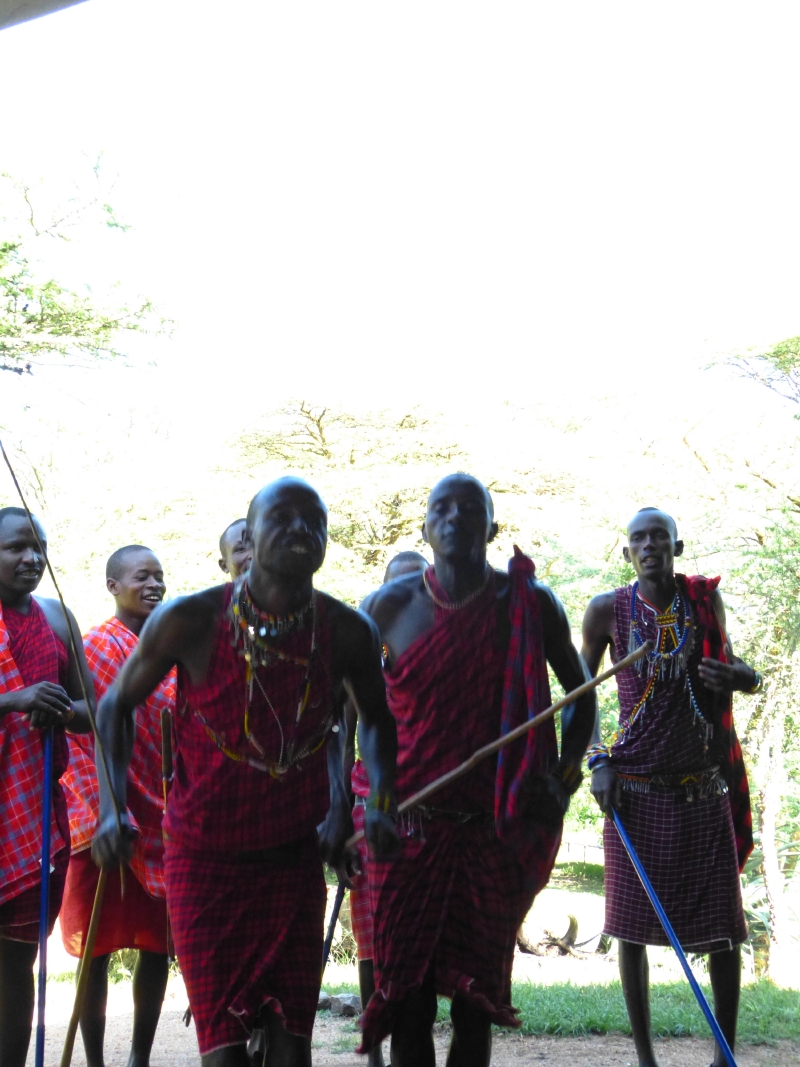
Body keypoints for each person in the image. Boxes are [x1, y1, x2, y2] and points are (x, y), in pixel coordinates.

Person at [92, 477, 399, 1067]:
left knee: (292, 1045)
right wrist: (112, 807)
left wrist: (376, 800)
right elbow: (115, 706)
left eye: (314, 521)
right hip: (203, 860)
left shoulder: (346, 630)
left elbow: (376, 723)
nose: (300, 530)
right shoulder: (190, 619)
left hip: (294, 860)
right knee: (224, 1050)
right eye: (282, 518)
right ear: (250, 538)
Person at [357, 474, 596, 1067]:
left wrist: (565, 776)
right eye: (441, 507)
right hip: (408, 829)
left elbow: (581, 693)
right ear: (424, 527)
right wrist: (370, 798)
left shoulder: (530, 604)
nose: (455, 517)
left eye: (471, 508)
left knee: (475, 1001)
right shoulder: (387, 609)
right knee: (409, 1002)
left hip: (493, 831)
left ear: (492, 527)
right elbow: (365, 704)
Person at [581, 507, 755, 1067]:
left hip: (701, 785)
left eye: (659, 536)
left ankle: (723, 1055)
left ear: (676, 547)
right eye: (638, 538)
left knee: (724, 931)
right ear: (627, 552)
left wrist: (742, 678)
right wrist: (595, 760)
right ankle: (646, 1060)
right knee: (630, 931)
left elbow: (735, 667)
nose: (649, 545)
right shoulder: (606, 611)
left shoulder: (703, 602)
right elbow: (580, 691)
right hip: (631, 790)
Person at [60, 545, 176, 1067]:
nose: (153, 585)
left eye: (159, 577)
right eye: (141, 577)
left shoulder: (173, 649)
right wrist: (105, 807)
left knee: (157, 946)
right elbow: (81, 734)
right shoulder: (94, 649)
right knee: (95, 949)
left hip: (164, 814)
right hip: (101, 814)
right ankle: (95, 1061)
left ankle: (139, 1058)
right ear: (113, 586)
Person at [0, 506, 95, 1067]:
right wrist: (14, 699)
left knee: (15, 964)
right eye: (16, 547)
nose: (31, 558)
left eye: (39, 547)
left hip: (32, 814)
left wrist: (58, 708)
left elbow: (92, 709)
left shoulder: (57, 618)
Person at [343, 550, 428, 1067]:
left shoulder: (445, 646)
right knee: (372, 935)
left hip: (435, 803)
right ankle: (374, 1050)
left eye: (418, 583)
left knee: (422, 936)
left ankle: (409, 1044)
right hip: (370, 802)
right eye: (397, 585)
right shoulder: (364, 650)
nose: (407, 595)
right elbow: (346, 725)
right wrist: (343, 808)